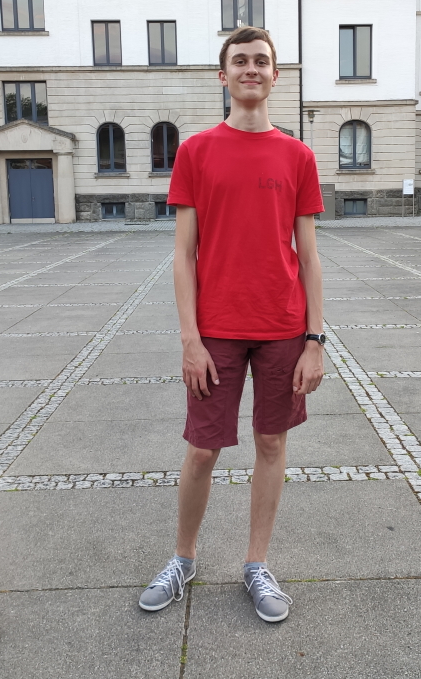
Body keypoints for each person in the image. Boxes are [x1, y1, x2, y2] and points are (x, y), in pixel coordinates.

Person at [137, 26, 325, 623]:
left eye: (260, 61)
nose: (251, 69)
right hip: (215, 328)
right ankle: (183, 558)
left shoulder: (298, 155)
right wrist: (189, 339)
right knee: (202, 449)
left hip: (282, 325)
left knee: (272, 442)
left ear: (275, 75)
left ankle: (256, 564)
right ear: (223, 76)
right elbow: (182, 253)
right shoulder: (196, 151)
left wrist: (315, 340)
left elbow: (309, 255)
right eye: (239, 61)